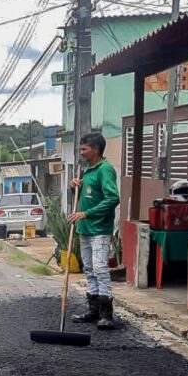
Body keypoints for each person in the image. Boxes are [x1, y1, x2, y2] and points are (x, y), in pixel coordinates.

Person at [68, 132, 120, 330]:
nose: (81, 153)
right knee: (89, 268)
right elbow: (89, 195)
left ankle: (107, 313)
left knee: (100, 268)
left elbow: (112, 198)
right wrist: (75, 188)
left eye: (84, 149)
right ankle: (93, 310)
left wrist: (87, 213)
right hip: (85, 229)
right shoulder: (88, 170)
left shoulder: (105, 170)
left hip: (99, 228)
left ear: (96, 149)